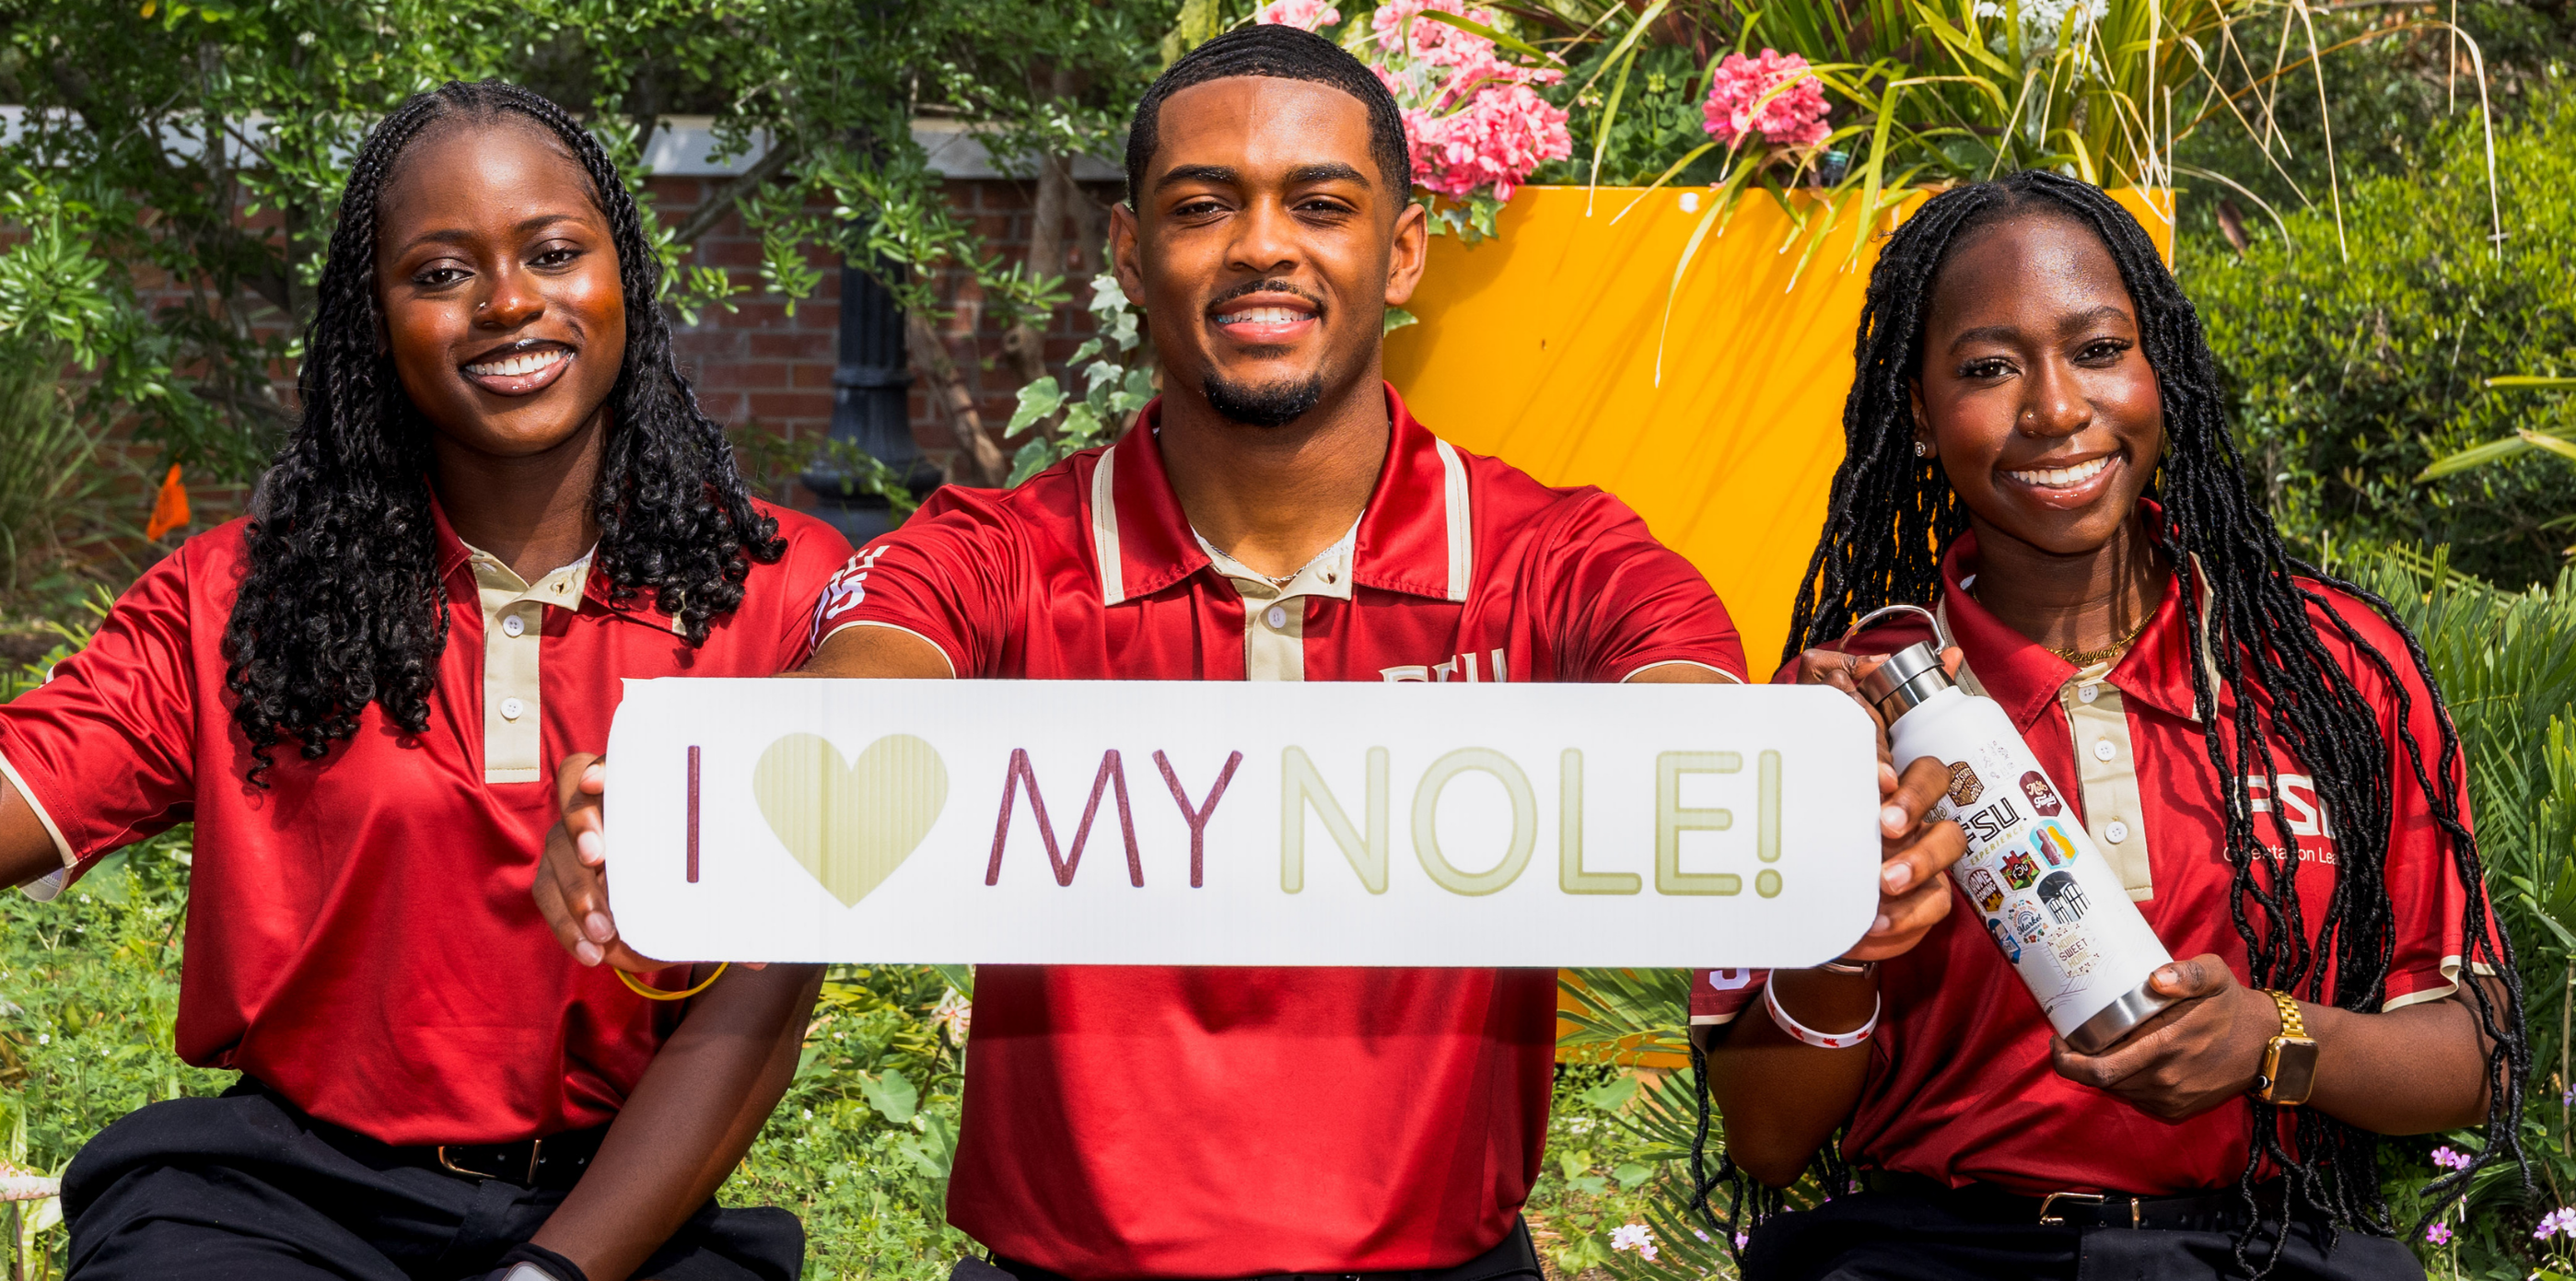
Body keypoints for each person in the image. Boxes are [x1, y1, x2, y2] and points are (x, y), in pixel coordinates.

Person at [530, 25, 1968, 1281]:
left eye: (1321, 204)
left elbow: (1685, 716)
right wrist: (719, 795)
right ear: (1130, 250)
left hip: (1444, 1270)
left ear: (1402, 248)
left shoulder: (1561, 552)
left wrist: (1791, 796)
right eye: (1203, 204)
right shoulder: (995, 543)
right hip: (1057, 1272)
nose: (1263, 245)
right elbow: (868, 691)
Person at [0, 81, 841, 1281]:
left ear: (623, 278)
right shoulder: (241, 595)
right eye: (440, 272)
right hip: (282, 1202)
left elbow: (759, 1007)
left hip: (628, 1208)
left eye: (552, 252)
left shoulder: (783, 592)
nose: (506, 300)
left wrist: (552, 1272)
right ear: (370, 319)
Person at [1693, 170, 2527, 1281]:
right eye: (1988, 368)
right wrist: (1846, 933)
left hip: (2273, 1248)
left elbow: (2476, 1047)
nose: (2052, 407)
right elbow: (1766, 1136)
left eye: (2095, 350)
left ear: (2160, 376)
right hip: (1934, 1254)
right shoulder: (1840, 712)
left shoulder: (2330, 668)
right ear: (1920, 417)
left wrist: (2274, 1041)